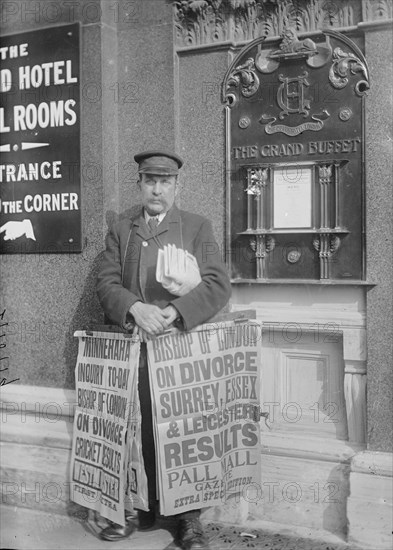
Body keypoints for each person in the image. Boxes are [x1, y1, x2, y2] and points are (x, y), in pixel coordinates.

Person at [96, 150, 231, 550]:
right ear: (139, 184)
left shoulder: (195, 227)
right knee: (133, 428)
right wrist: (134, 308)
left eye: (165, 182)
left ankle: (188, 520)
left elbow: (218, 285)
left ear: (176, 186)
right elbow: (105, 283)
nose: (157, 189)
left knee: (183, 429)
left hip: (180, 350)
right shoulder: (123, 230)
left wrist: (174, 311)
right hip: (136, 349)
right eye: (150, 181)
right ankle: (134, 508)